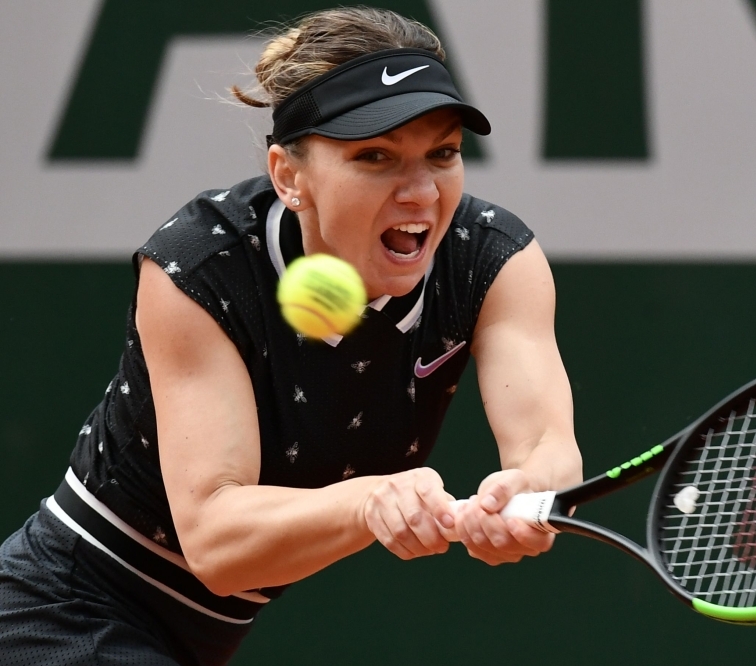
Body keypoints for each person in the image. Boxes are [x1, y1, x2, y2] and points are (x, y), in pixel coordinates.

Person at [0, 7, 582, 665]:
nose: (421, 191)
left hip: (199, 641)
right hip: (66, 610)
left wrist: (527, 497)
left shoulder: (491, 258)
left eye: (442, 153)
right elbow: (217, 543)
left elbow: (545, 446)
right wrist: (370, 501)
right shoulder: (201, 266)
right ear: (288, 177)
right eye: (375, 157)